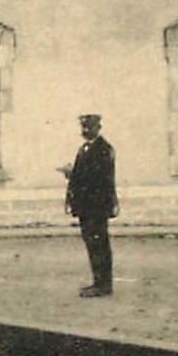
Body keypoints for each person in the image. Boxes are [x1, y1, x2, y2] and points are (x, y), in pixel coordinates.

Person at [60, 113, 118, 297]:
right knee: (92, 244)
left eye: (89, 127)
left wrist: (73, 173)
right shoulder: (85, 148)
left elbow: (97, 178)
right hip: (87, 205)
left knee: (99, 244)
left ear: (98, 128)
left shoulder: (103, 149)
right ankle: (98, 282)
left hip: (96, 205)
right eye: (83, 128)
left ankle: (103, 285)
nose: (85, 131)